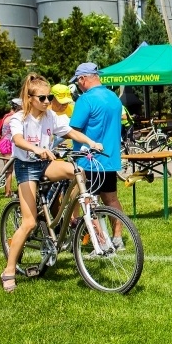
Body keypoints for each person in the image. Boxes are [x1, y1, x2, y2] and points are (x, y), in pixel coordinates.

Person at [1, 73, 103, 293]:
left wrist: (91, 142)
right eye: (43, 98)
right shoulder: (20, 118)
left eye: (49, 98)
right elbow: (17, 140)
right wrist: (36, 148)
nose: (48, 102)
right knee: (28, 222)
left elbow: (70, 131)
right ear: (30, 98)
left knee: (77, 170)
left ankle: (74, 214)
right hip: (26, 167)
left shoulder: (50, 116)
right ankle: (9, 270)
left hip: (46, 163)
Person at [68, 62, 127, 244]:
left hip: (88, 160)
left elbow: (73, 130)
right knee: (111, 199)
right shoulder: (113, 97)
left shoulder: (85, 100)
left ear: (83, 79)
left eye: (78, 82)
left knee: (88, 202)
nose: (78, 85)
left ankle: (101, 242)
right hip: (109, 158)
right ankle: (118, 239)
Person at [0, 98, 22, 197]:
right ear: (18, 107)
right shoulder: (14, 117)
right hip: (9, 143)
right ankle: (8, 192)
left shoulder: (6, 116)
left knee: (8, 168)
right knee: (9, 169)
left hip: (3, 142)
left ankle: (8, 191)